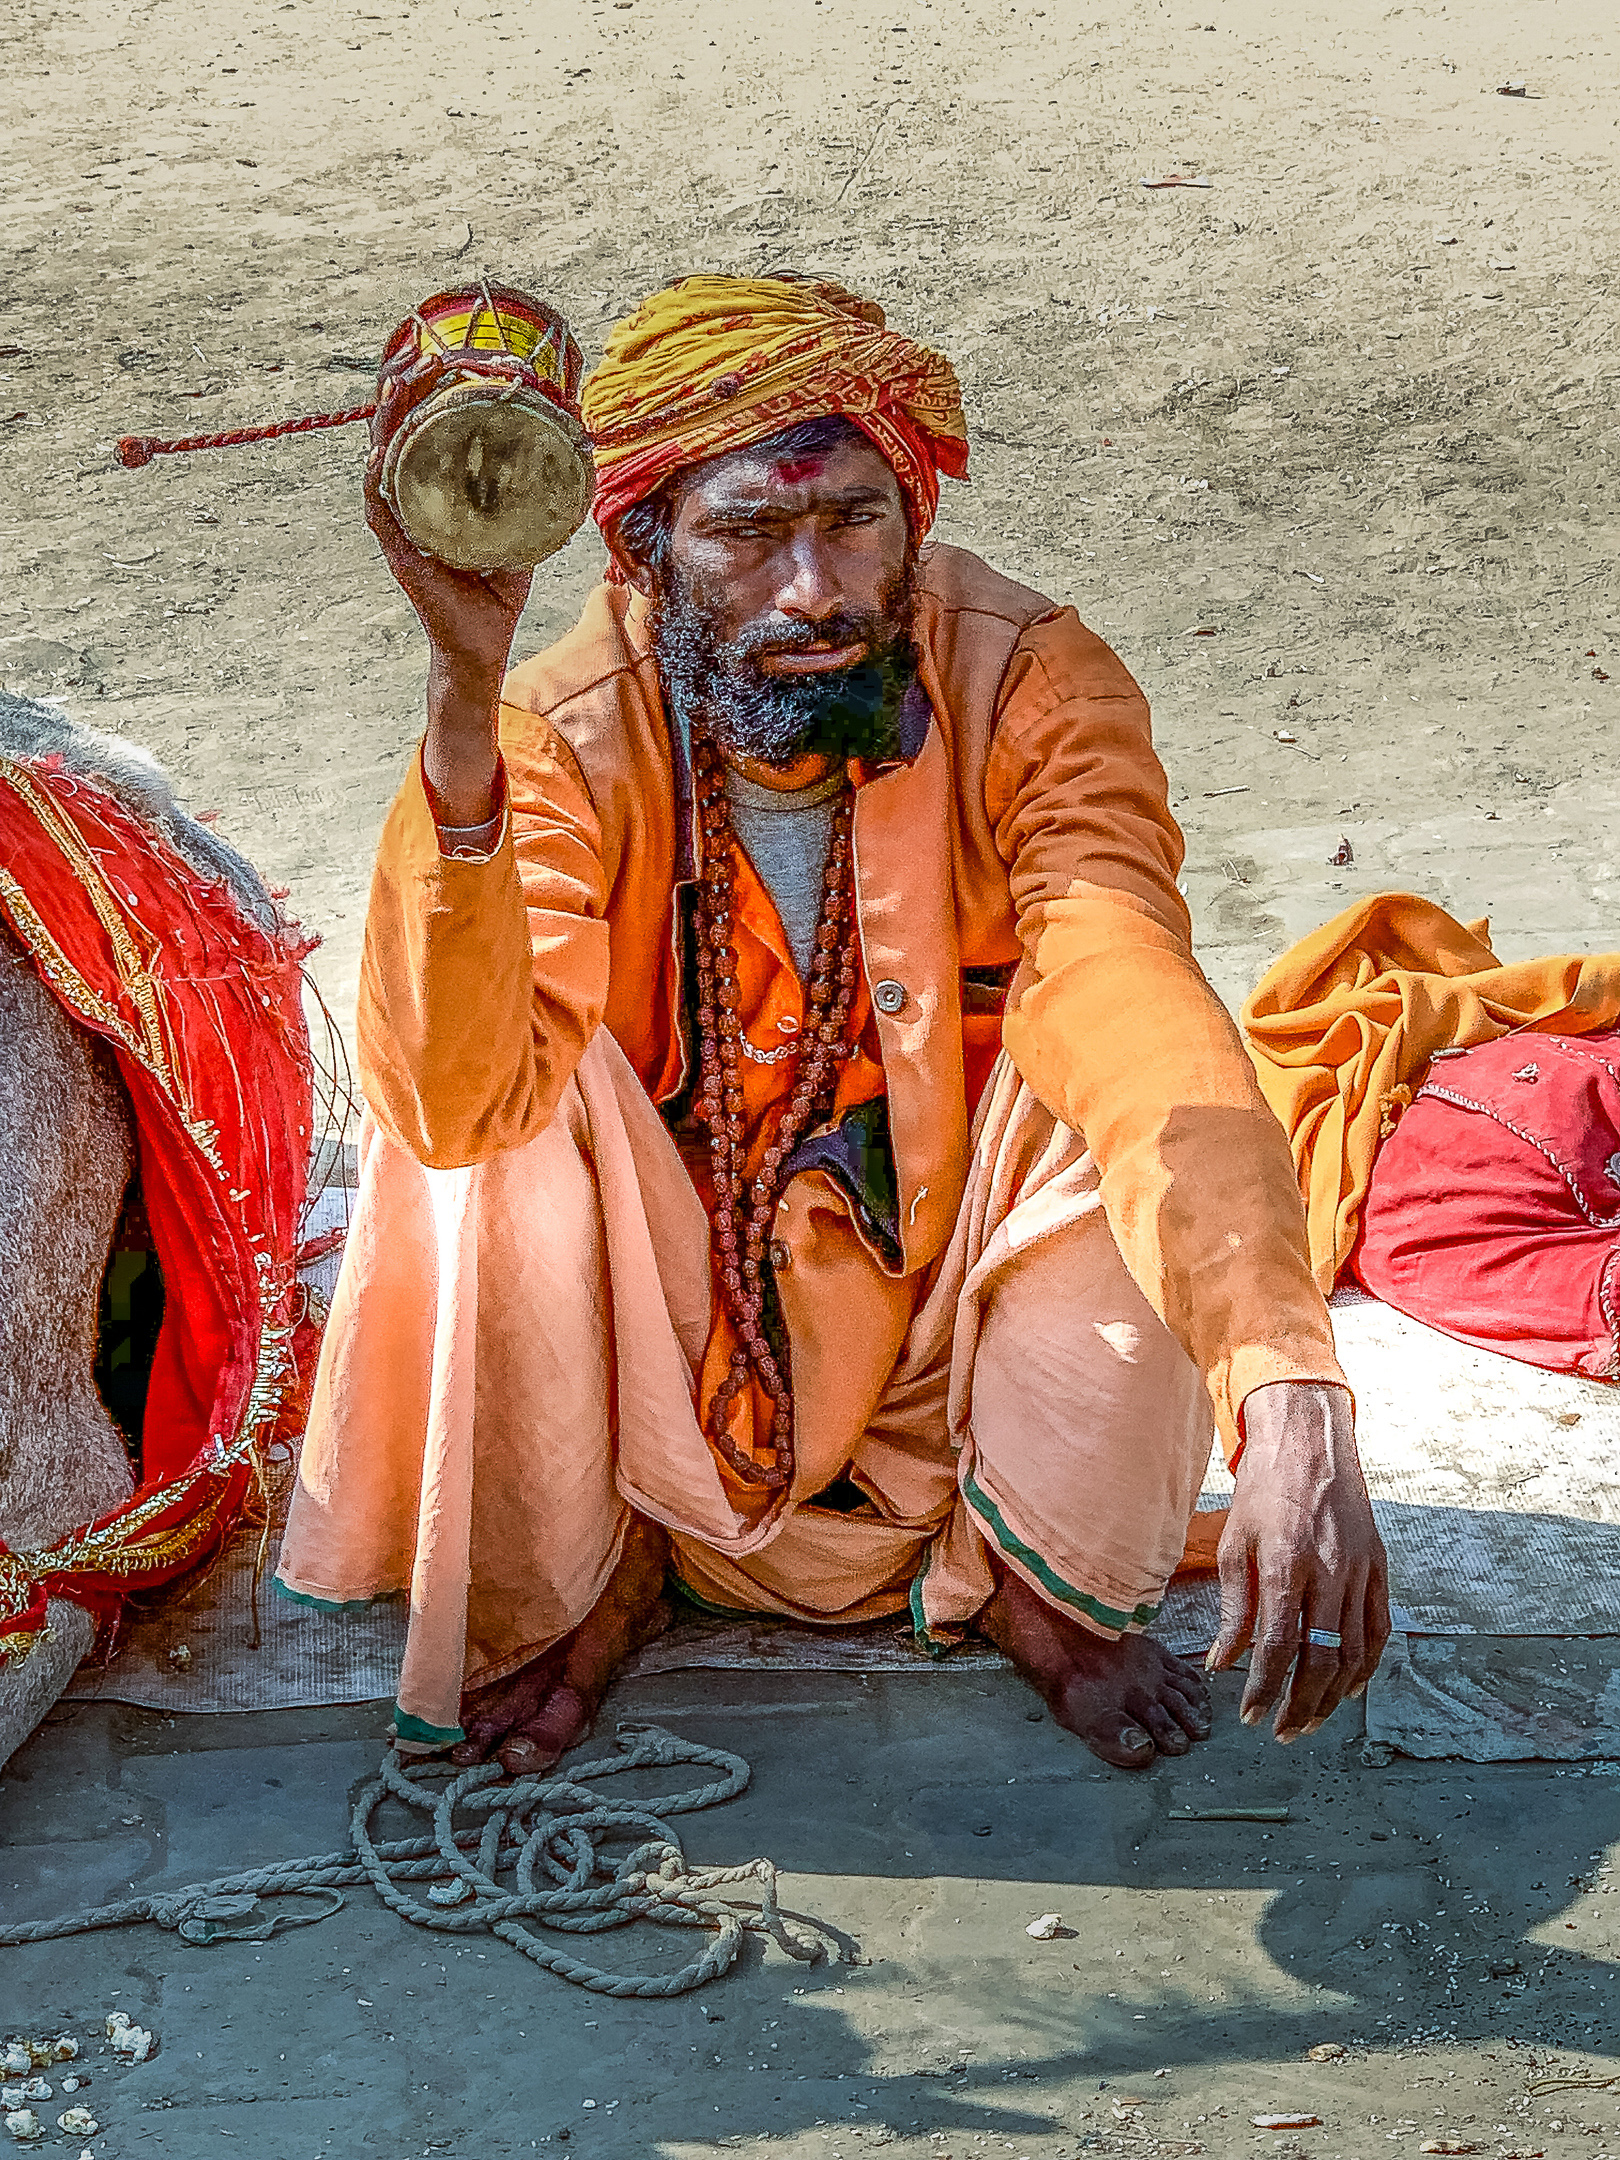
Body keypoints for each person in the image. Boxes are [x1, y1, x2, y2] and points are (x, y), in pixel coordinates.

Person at [277, 273, 1389, 1775]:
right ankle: (604, 1572)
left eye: (854, 522)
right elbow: (454, 1101)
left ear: (912, 520)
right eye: (745, 534)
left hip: (941, 1268)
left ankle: (1030, 1580)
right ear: (643, 549)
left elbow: (1126, 987)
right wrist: (461, 703)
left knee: (1160, 1091)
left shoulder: (1028, 683)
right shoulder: (558, 728)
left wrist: (1289, 1378)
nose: (814, 593)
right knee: (481, 1134)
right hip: (683, 1304)